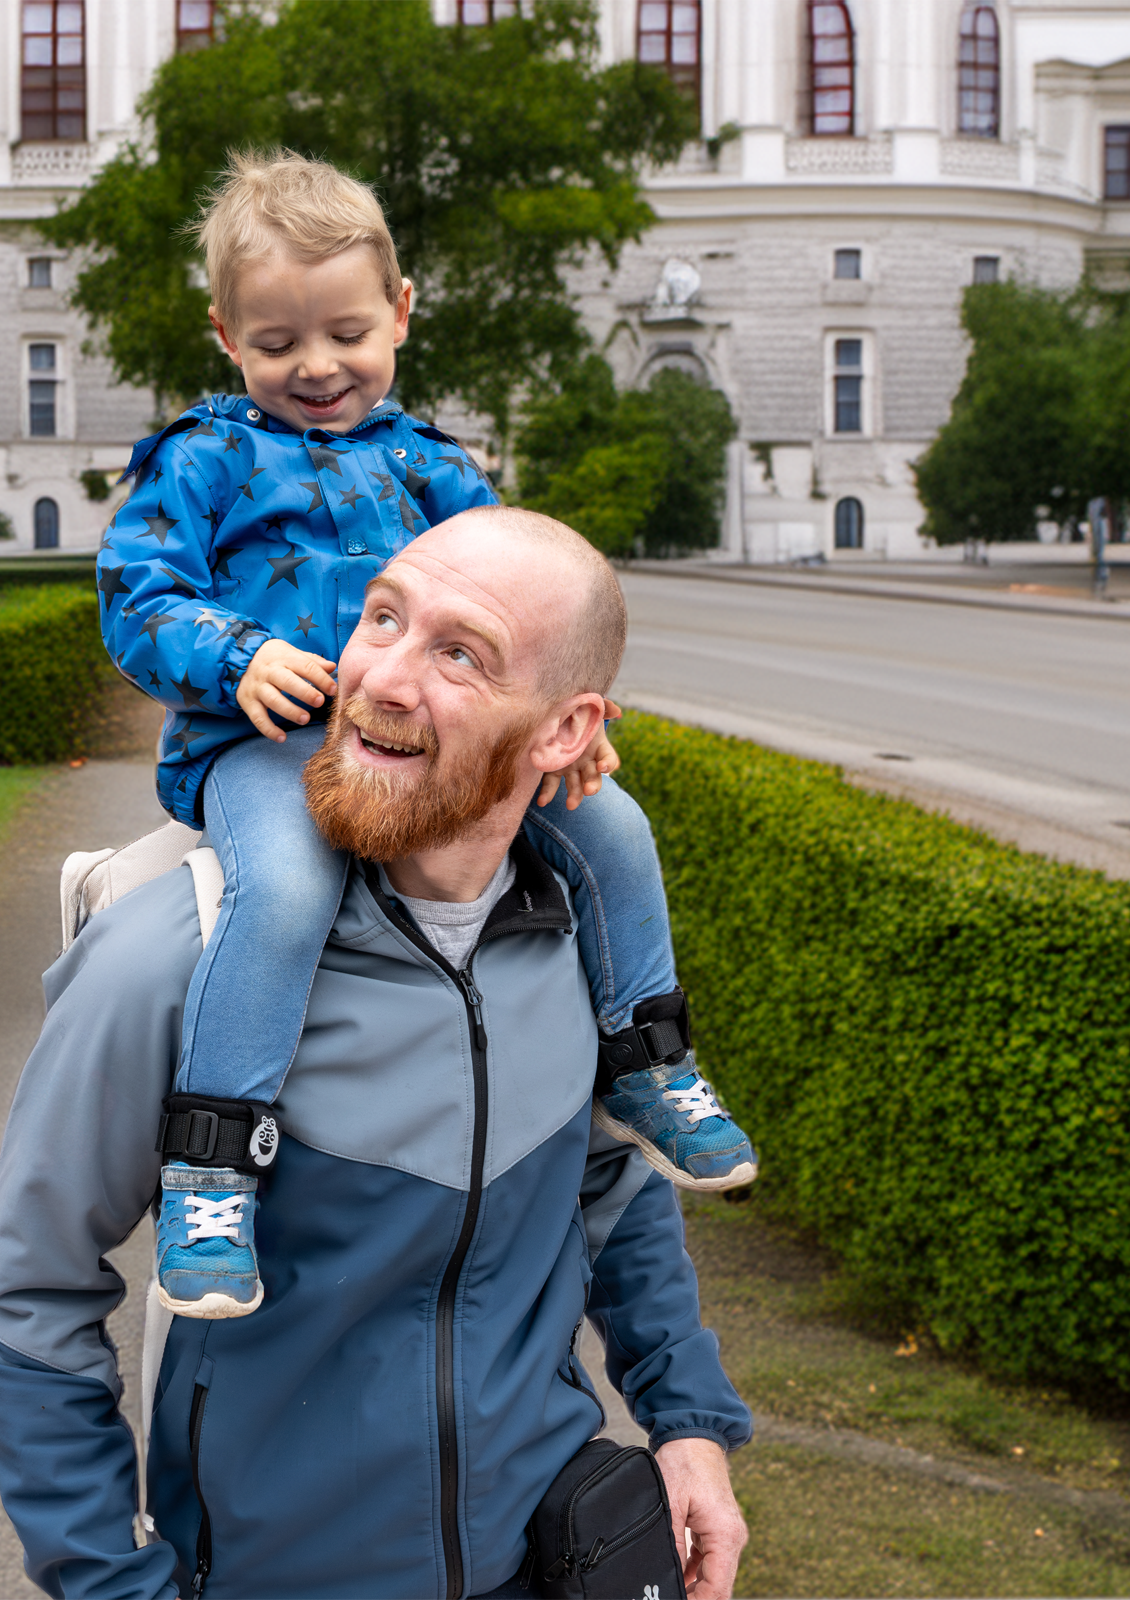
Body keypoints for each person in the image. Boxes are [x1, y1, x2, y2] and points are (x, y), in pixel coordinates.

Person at [0, 508, 752, 1600]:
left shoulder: (578, 939)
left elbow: (607, 1176)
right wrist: (109, 1587)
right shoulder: (165, 959)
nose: (378, 676)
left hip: (547, 1560)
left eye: (457, 653)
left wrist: (688, 1424)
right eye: (380, 617)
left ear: (568, 732)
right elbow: (29, 1296)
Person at [96, 152, 756, 1321]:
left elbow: (531, 612)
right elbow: (136, 603)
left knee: (612, 824)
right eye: (276, 341)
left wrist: (563, 726)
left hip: (436, 740)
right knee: (291, 894)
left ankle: (648, 1060)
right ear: (225, 336)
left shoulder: (437, 467)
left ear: (399, 313)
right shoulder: (199, 459)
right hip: (273, 742)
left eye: (345, 331)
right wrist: (238, 654)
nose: (315, 367)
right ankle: (210, 1165)